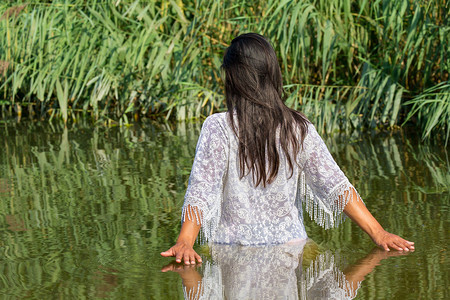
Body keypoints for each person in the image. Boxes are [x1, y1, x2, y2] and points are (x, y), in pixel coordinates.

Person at [161, 33, 414, 266]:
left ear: (235, 78)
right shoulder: (298, 128)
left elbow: (201, 190)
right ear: (272, 74)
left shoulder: (217, 127)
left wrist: (185, 241)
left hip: (231, 250)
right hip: (291, 249)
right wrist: (379, 233)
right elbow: (335, 185)